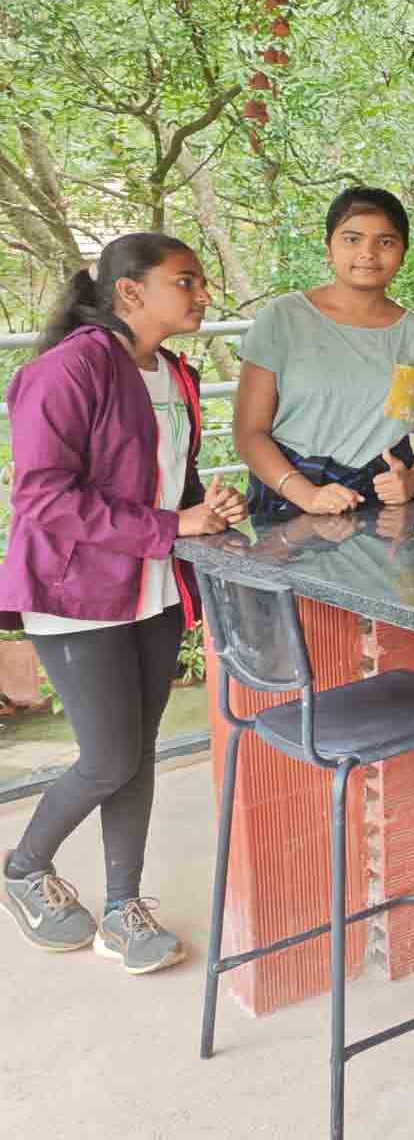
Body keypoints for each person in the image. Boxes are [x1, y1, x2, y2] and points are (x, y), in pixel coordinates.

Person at [2, 234, 248, 974]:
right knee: (107, 756)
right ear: (130, 293)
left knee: (134, 754)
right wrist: (173, 526)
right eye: (187, 281)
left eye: (203, 282)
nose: (203, 295)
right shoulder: (67, 370)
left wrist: (209, 506)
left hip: (152, 587)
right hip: (77, 592)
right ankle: (23, 867)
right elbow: (43, 497)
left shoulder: (176, 372)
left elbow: (174, 476)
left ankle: (121, 907)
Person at [234, 187, 414, 515]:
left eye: (385, 242)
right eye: (352, 239)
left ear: (403, 252)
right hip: (290, 501)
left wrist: (412, 480)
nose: (368, 253)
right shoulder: (283, 318)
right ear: (328, 249)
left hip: (382, 507)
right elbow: (249, 433)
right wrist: (307, 494)